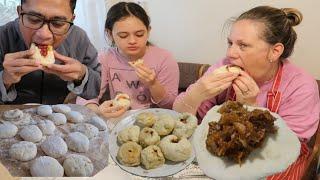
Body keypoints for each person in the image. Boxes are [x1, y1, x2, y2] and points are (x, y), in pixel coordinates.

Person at [173, 6, 320, 179]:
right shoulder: (222, 65)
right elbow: (180, 118)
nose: (230, 53)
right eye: (230, 43)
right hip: (224, 149)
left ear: (275, 51)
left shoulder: (301, 86)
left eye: (243, 45)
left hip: (279, 162)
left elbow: (287, 148)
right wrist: (196, 93)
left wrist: (250, 107)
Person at [77, 2, 179, 118]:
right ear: (110, 34)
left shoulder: (164, 59)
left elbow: (171, 105)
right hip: (118, 119)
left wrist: (153, 84)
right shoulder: (104, 58)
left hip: (154, 121)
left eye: (139, 34)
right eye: (123, 35)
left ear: (148, 31)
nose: (132, 41)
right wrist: (98, 110)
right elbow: (85, 97)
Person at [0, 0, 101, 104]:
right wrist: (4, 80)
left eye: (58, 24)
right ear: (19, 12)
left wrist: (82, 75)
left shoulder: (78, 38)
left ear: (72, 19)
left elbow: (102, 88)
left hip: (61, 116)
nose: (44, 35)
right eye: (34, 20)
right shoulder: (3, 36)